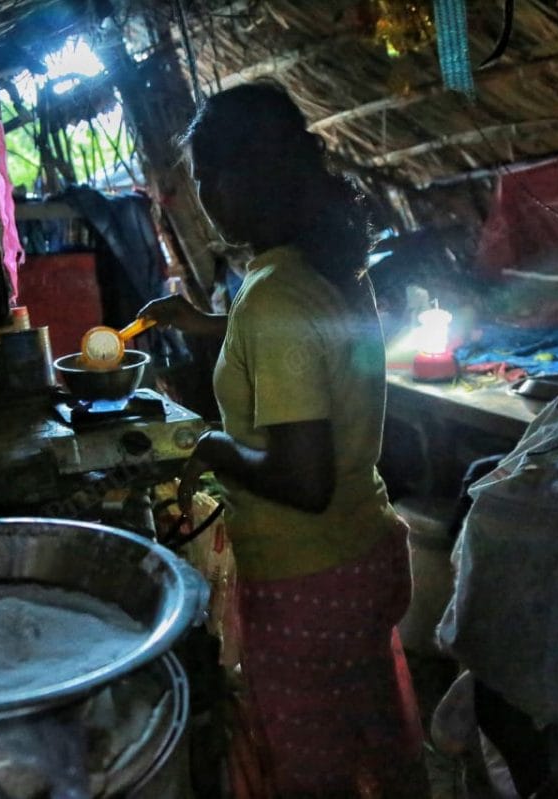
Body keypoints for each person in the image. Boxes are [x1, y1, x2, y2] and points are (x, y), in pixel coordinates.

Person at [140, 82, 426, 797]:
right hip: (365, 547)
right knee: (379, 741)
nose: (201, 196)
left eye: (203, 180)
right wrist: (203, 324)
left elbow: (303, 479)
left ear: (238, 182)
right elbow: (307, 344)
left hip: (306, 580)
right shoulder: (323, 264)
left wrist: (202, 443)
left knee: (313, 765)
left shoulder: (273, 297)